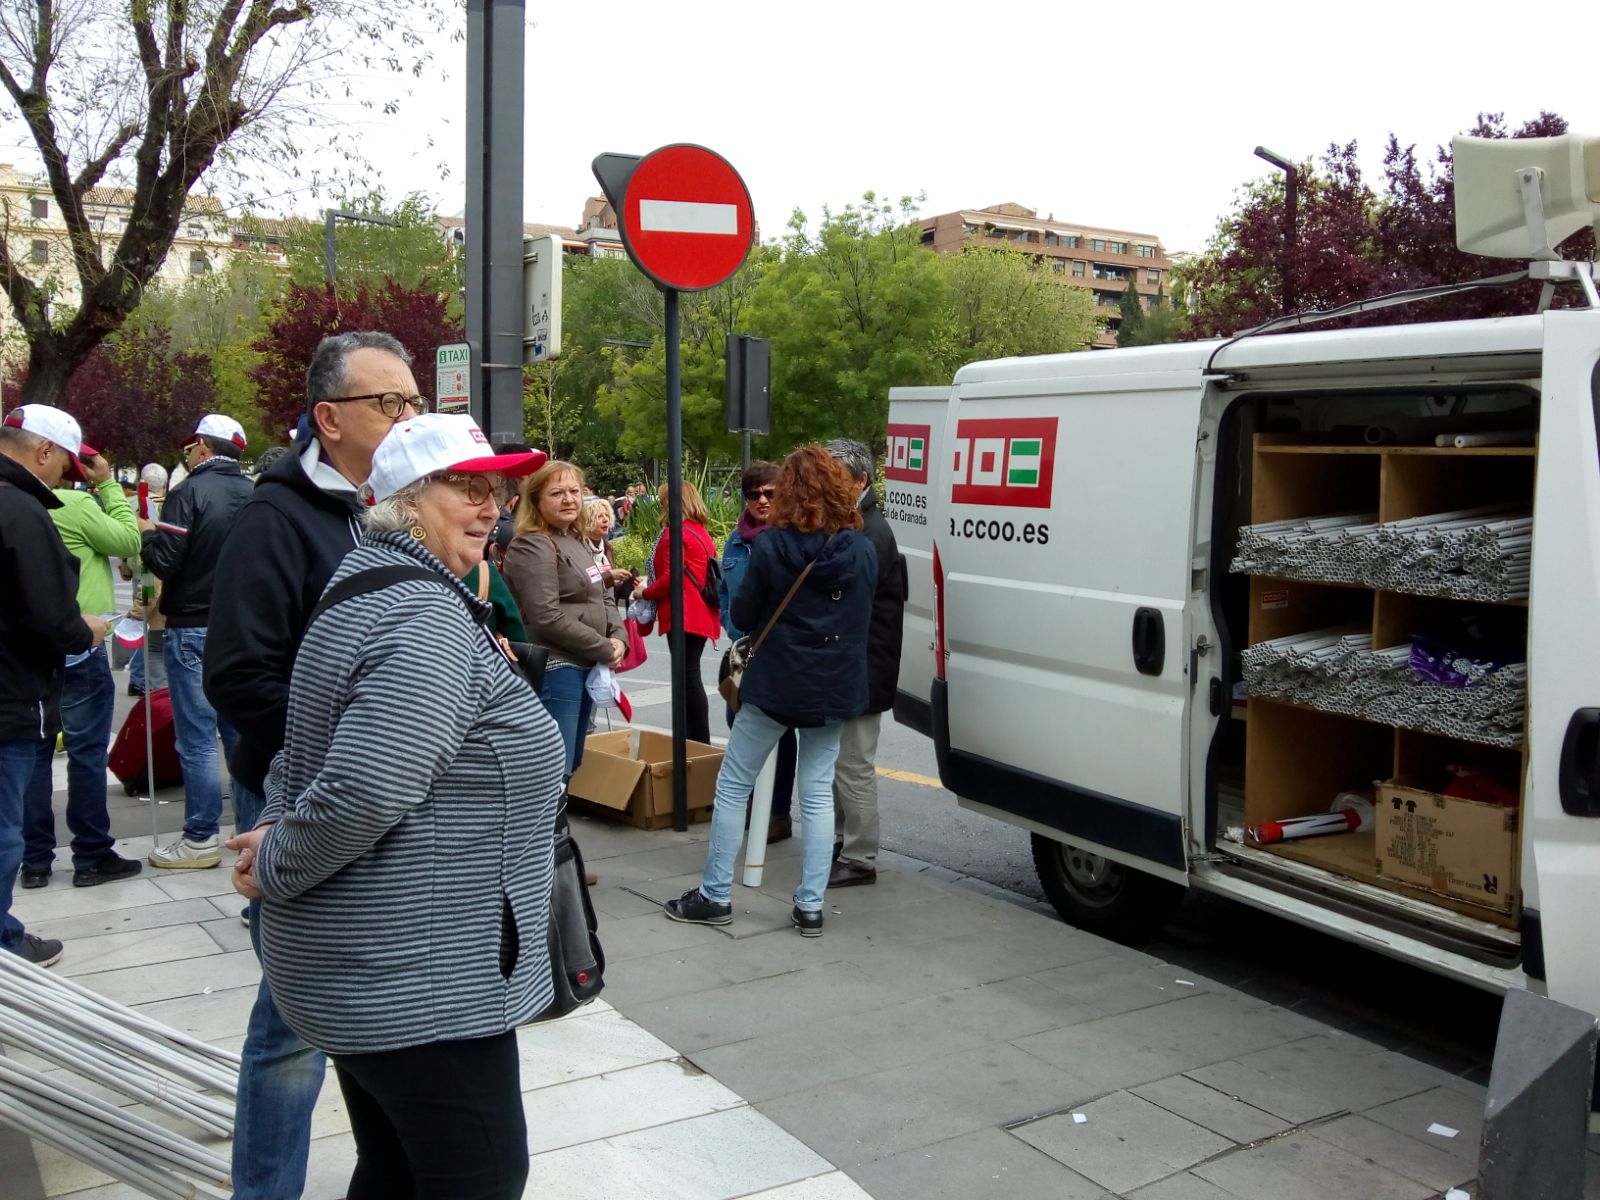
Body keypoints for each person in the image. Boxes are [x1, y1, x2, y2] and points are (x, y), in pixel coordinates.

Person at [227, 412, 559, 1200]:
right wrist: (274, 861)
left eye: (499, 488)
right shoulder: (423, 615)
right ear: (406, 501)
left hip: (378, 967)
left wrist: (275, 822)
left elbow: (303, 747)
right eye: (467, 487)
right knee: (478, 1176)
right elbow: (362, 786)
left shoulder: (370, 581)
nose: (493, 506)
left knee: (398, 1171)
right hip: (418, 978)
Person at [204, 331, 428, 1200]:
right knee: (291, 1023)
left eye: (415, 402)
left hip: (368, 803)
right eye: (391, 404)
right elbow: (237, 672)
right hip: (301, 798)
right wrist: (332, 760)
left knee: (354, 1002)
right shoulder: (276, 518)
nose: (410, 417)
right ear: (329, 420)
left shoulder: (384, 506)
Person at [665, 446, 876, 938]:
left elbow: (743, 614)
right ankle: (809, 906)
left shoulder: (773, 545)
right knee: (818, 794)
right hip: (834, 685)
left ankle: (715, 895)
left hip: (776, 681)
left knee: (735, 783)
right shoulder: (861, 548)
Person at [0, 404, 109, 966]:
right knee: (4, 834)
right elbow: (49, 612)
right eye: (64, 465)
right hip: (11, 696)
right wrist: (83, 631)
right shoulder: (20, 509)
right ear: (43, 450)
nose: (64, 477)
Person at [21, 442, 145, 889]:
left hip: (31, 649)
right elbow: (129, 539)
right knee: (86, 755)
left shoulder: (17, 504)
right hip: (81, 642)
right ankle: (91, 855)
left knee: (34, 755)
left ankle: (34, 860)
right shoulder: (72, 503)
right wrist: (109, 484)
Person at [141, 414, 254, 870]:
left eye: (192, 447)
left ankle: (200, 835)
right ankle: (248, 833)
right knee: (237, 733)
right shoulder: (254, 494)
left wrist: (149, 539)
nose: (187, 454)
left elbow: (167, 561)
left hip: (190, 623)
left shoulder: (188, 493)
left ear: (205, 449)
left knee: (198, 737)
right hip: (239, 625)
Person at [501, 461, 626, 779]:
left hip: (586, 662)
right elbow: (545, 615)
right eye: (557, 493)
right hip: (557, 665)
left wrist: (619, 638)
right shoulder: (533, 543)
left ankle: (555, 828)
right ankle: (548, 829)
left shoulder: (579, 540)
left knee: (571, 761)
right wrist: (603, 647)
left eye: (574, 491)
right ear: (537, 500)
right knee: (555, 766)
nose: (569, 499)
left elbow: (603, 594)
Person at [824, 439, 908, 887]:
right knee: (842, 762)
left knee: (853, 763)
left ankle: (859, 857)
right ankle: (844, 842)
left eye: (835, 476)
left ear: (861, 480)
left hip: (863, 668)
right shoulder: (856, 524)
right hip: (853, 666)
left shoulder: (870, 532)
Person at [719, 461, 797, 843]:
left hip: (778, 653)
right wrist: (734, 630)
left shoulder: (790, 537)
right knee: (738, 729)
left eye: (770, 492)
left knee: (780, 734)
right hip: (742, 652)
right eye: (754, 494)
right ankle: (752, 804)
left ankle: (778, 812)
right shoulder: (735, 540)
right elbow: (724, 591)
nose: (762, 500)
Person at [633, 479, 722, 744]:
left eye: (662, 502)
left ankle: (693, 742)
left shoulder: (676, 533)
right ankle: (695, 741)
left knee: (687, 679)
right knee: (690, 677)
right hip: (700, 612)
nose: (660, 507)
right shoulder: (700, 532)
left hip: (684, 613)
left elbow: (671, 578)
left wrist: (644, 593)